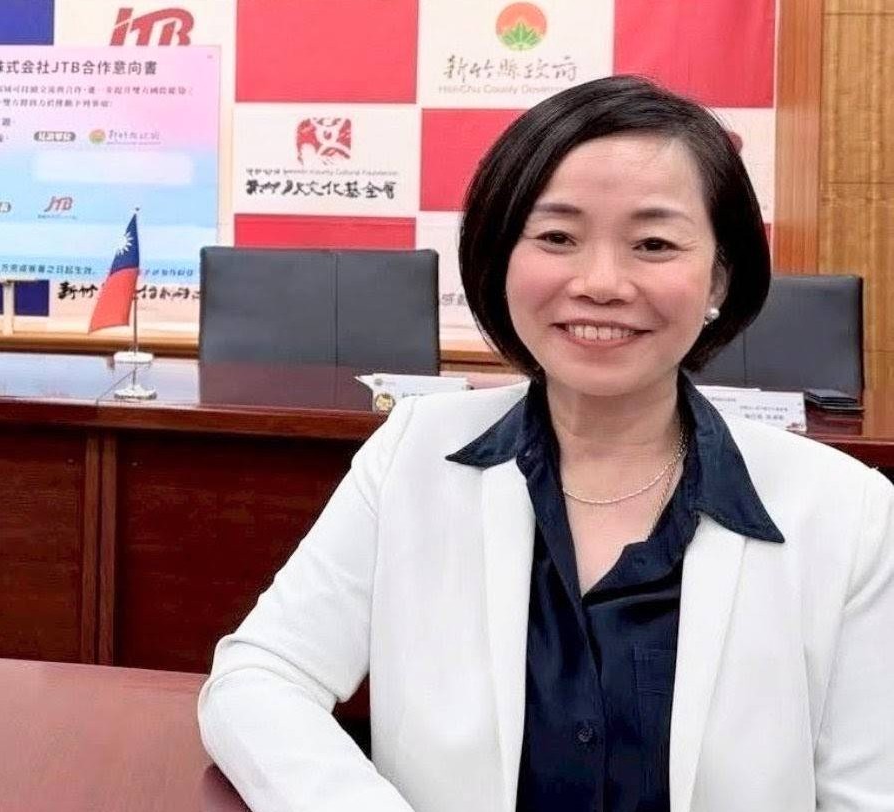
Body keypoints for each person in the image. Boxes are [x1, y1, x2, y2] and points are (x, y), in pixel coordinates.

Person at [198, 76, 894, 812]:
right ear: (502, 256)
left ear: (719, 277)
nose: (601, 283)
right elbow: (259, 676)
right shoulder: (413, 454)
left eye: (654, 243)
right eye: (557, 237)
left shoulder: (848, 512)